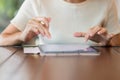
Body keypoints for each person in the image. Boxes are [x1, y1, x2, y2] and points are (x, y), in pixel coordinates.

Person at [0, 0, 120, 46]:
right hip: (46, 70)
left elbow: (117, 40)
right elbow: (2, 39)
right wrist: (21, 36)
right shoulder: (36, 2)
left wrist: (107, 41)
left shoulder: (107, 2)